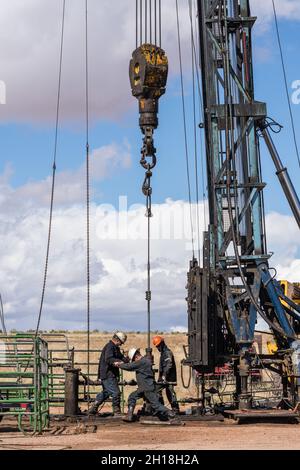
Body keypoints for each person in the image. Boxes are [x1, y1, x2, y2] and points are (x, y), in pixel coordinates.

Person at [116, 348, 176, 422]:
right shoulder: (145, 361)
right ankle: (129, 415)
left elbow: (129, 366)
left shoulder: (142, 362)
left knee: (156, 405)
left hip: (147, 388)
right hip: (143, 388)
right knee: (132, 397)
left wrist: (119, 365)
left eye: (133, 360)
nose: (134, 361)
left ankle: (171, 414)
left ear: (136, 356)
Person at [88, 331, 128, 416]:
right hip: (108, 374)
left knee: (106, 392)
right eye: (121, 342)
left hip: (108, 374)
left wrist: (127, 360)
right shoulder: (110, 347)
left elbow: (121, 357)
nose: (121, 344)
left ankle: (93, 408)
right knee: (116, 392)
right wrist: (116, 362)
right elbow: (108, 358)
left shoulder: (114, 348)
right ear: (117, 340)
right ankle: (117, 412)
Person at [153, 335, 179, 414]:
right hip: (164, 376)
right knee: (160, 391)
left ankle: (174, 409)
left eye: (158, 346)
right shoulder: (163, 353)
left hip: (168, 377)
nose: (157, 348)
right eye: (156, 347)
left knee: (168, 391)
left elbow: (169, 364)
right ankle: (163, 408)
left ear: (162, 344)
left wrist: (164, 375)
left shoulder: (167, 352)